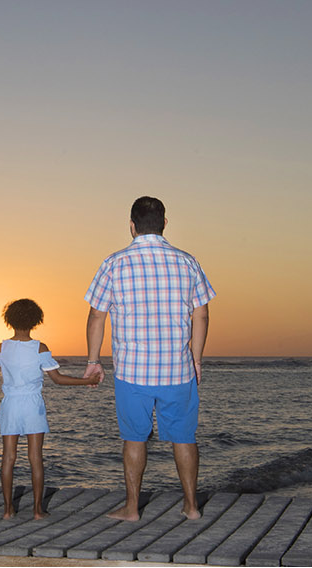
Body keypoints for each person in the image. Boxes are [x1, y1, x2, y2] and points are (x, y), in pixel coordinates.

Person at [84, 196, 215, 522]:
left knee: (134, 438)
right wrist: (196, 359)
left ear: (132, 226)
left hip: (132, 372)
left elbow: (96, 318)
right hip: (178, 370)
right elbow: (201, 316)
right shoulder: (187, 262)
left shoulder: (114, 264)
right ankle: (191, 506)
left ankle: (132, 508)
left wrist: (93, 360)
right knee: (184, 437)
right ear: (165, 224)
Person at [0, 298, 97, 519]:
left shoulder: (1, 348)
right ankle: (38, 510)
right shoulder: (40, 347)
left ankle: (8, 510)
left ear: (9, 320)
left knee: (8, 457)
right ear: (36, 321)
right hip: (33, 405)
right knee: (35, 458)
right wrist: (86, 381)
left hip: (10, 404)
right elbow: (58, 379)